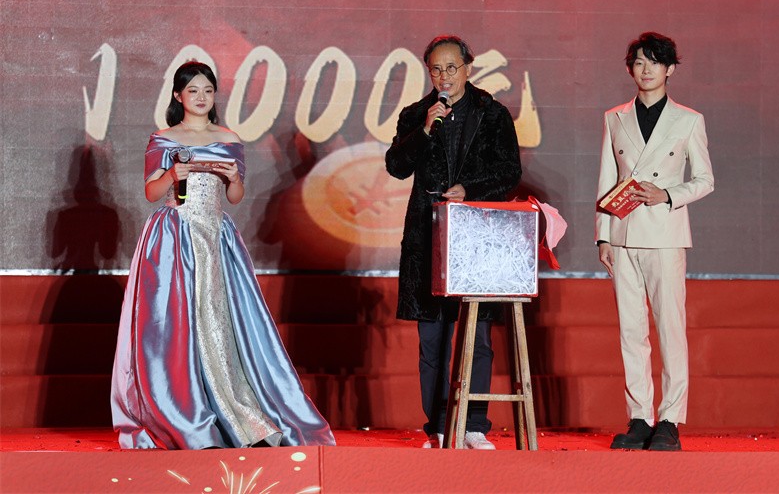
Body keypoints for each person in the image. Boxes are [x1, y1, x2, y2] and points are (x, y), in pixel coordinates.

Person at [111, 61, 335, 450]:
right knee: (177, 324)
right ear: (178, 96)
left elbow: (234, 196)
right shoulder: (163, 139)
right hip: (174, 236)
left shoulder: (228, 138)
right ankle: (186, 413)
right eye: (192, 90)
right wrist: (172, 176)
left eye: (208, 90)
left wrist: (233, 179)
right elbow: (151, 193)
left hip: (215, 237)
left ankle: (236, 413)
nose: (201, 97)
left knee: (219, 321)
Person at [385, 35, 522, 450]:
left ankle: (474, 424)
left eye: (451, 68)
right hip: (428, 236)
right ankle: (440, 425)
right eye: (436, 69)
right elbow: (396, 166)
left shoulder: (493, 114)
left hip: (476, 235)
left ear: (468, 68)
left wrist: (470, 189)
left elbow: (509, 171)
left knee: (477, 336)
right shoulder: (416, 115)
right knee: (433, 339)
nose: (444, 77)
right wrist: (425, 130)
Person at [595, 32, 714, 452]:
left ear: (670, 69)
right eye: (639, 62)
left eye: (655, 62)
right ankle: (639, 417)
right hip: (623, 234)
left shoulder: (688, 120)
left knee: (669, 327)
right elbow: (607, 178)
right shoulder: (615, 117)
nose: (646, 70)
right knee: (631, 330)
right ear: (630, 68)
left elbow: (705, 179)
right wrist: (603, 235)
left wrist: (666, 194)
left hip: (664, 232)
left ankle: (670, 419)